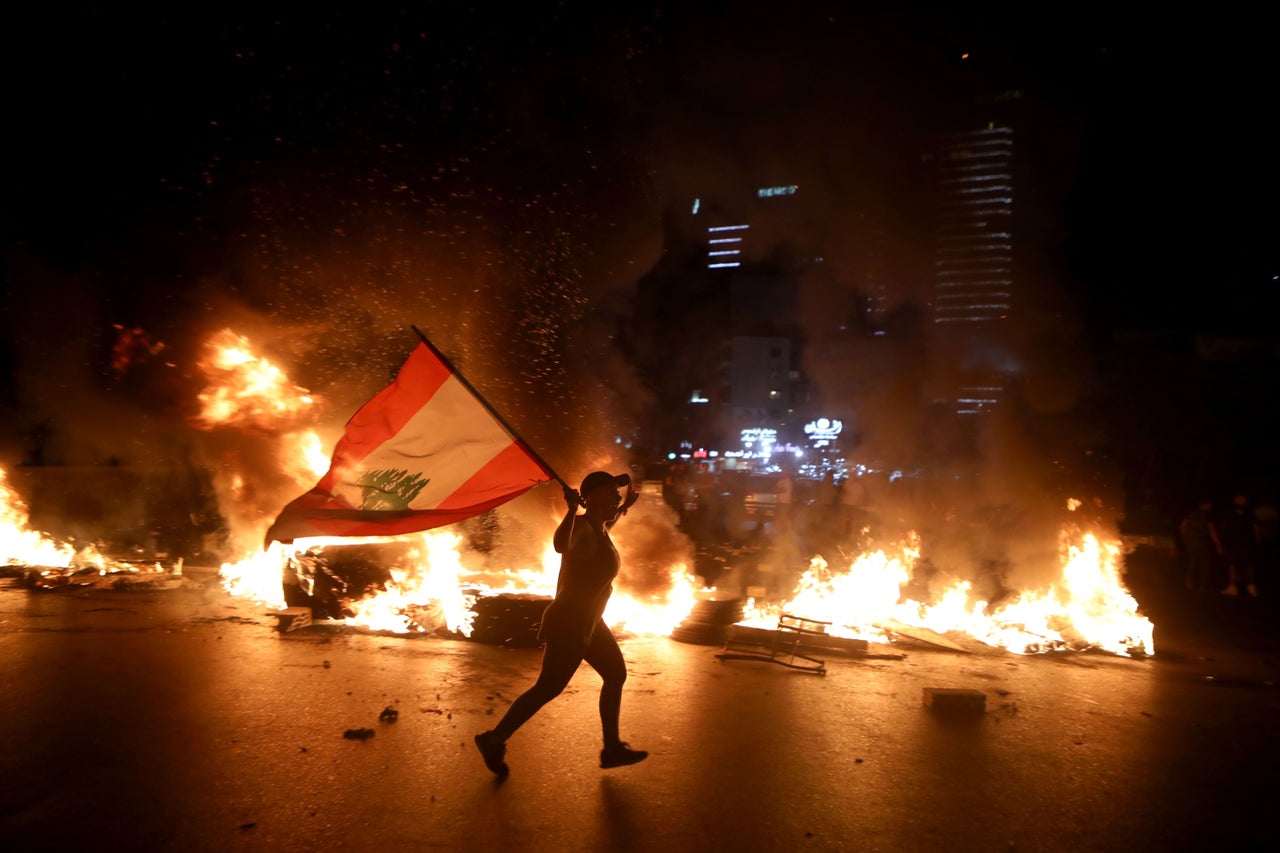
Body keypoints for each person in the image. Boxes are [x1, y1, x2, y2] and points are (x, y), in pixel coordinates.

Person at [474, 471, 647, 776]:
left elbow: (606, 519)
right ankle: (494, 738)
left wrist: (624, 507)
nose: (616, 499)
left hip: (590, 622)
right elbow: (559, 545)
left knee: (615, 674)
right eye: (611, 495)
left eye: (617, 496)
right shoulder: (581, 527)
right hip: (570, 621)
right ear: (590, 498)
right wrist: (570, 510)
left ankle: (612, 748)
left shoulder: (599, 527)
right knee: (548, 688)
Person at [1218, 494, 1260, 597]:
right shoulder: (1229, 513)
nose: (1240, 500)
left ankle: (1251, 586)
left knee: (1247, 564)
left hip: (1246, 543)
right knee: (1232, 564)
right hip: (1232, 543)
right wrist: (1222, 542)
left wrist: (1257, 541)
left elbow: (1256, 528)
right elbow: (1223, 527)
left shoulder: (1249, 513)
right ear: (1235, 500)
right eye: (1238, 498)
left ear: (1245, 501)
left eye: (1242, 499)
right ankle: (1232, 587)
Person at [1178, 498, 1220, 592]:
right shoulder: (1207, 515)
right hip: (1200, 541)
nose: (1210, 506)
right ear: (1205, 505)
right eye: (1209, 504)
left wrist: (1185, 540)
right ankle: (1202, 585)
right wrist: (1218, 545)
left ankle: (1189, 581)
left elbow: (1182, 527)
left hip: (1191, 542)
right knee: (1205, 562)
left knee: (1193, 560)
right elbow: (1212, 531)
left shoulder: (1191, 513)